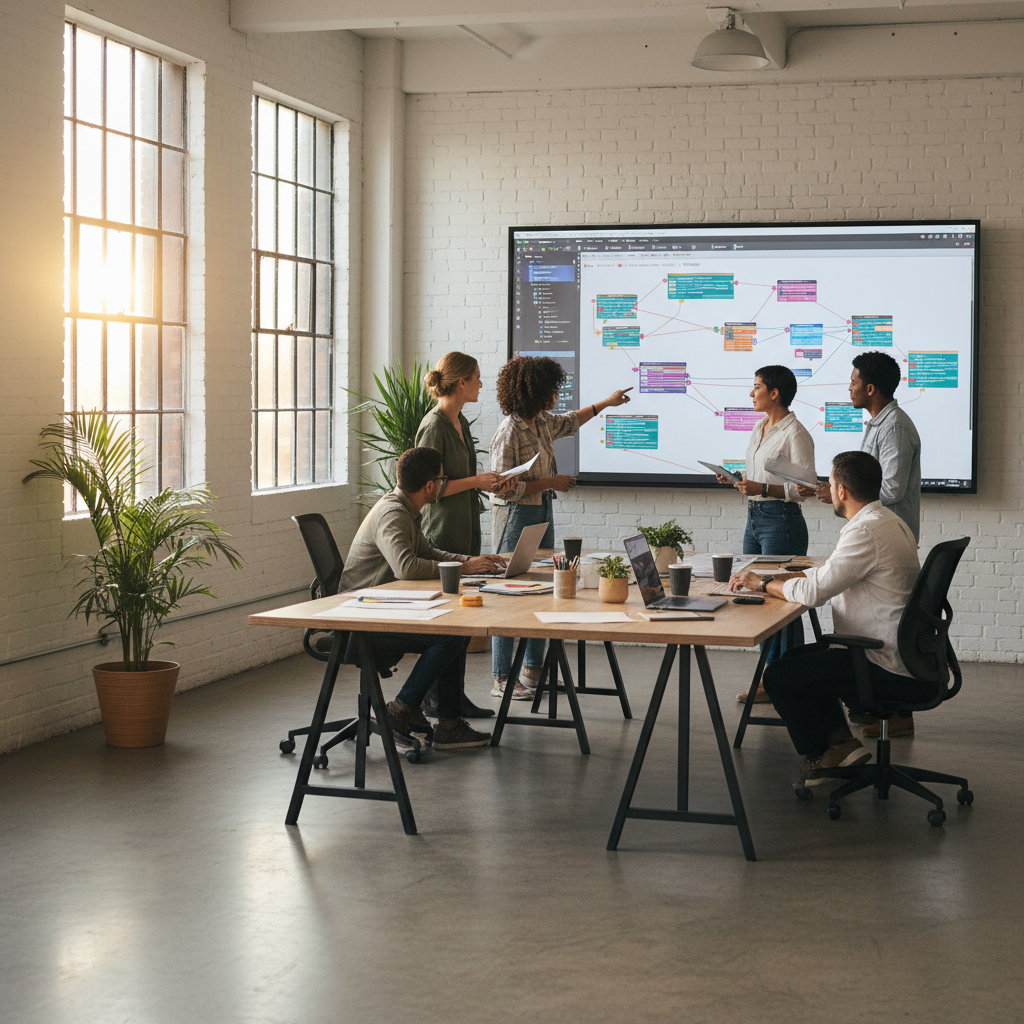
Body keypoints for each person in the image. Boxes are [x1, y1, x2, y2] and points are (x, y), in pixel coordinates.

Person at [728, 451, 928, 787]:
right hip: (905, 653)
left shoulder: (864, 532)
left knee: (778, 676)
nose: (829, 489)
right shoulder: (888, 522)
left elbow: (812, 594)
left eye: (831, 483)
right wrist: (792, 574)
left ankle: (821, 753)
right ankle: (841, 745)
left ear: (842, 491)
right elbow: (835, 573)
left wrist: (763, 583)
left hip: (880, 661)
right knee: (799, 658)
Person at [337, 447, 507, 750]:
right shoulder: (392, 513)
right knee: (450, 636)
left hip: (386, 608)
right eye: (442, 478)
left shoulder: (406, 509)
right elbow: (406, 566)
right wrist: (464, 567)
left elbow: (425, 553)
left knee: (456, 629)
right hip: (362, 619)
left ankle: (444, 721)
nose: (443, 483)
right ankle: (402, 710)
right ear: (430, 486)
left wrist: (468, 561)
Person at [489, 355, 633, 699]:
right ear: (535, 391)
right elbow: (499, 487)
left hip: (540, 510)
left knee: (541, 588)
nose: (557, 394)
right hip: (515, 517)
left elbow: (570, 422)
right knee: (509, 594)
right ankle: (500, 679)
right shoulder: (509, 431)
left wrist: (607, 403)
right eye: (552, 389)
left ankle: (532, 671)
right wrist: (550, 481)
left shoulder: (540, 422)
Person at [799, 350, 922, 736]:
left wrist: (848, 493)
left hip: (883, 535)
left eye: (852, 381)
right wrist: (838, 492)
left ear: (870, 387)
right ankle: (876, 707)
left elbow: (890, 487)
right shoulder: (877, 424)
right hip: (873, 531)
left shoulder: (894, 427)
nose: (848, 387)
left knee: (876, 621)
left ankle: (895, 712)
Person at [415, 351, 513, 719]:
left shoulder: (460, 422)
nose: (481, 384)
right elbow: (428, 487)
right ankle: (439, 699)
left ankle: (453, 697)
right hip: (443, 531)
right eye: (477, 378)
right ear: (461, 383)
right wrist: (476, 481)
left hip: (465, 526)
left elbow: (462, 479)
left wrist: (490, 482)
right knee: (449, 622)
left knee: (461, 621)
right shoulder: (434, 425)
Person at [717, 365, 816, 704]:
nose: (751, 393)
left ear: (774, 393)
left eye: (756, 386)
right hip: (755, 518)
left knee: (781, 602)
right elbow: (761, 477)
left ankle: (779, 680)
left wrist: (764, 488)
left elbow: (806, 488)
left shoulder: (796, 433)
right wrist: (739, 480)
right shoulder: (759, 427)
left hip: (782, 521)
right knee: (757, 597)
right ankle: (773, 677)